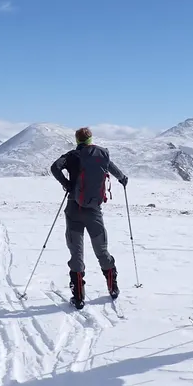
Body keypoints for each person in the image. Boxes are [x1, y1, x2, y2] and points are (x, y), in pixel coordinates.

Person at [50, 127, 128, 308]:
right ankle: (112, 288)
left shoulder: (72, 156)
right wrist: (123, 179)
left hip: (73, 210)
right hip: (94, 211)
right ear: (91, 139)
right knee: (101, 250)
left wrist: (68, 185)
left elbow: (55, 168)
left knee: (76, 254)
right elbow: (116, 172)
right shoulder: (101, 154)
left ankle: (78, 298)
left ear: (77, 140)